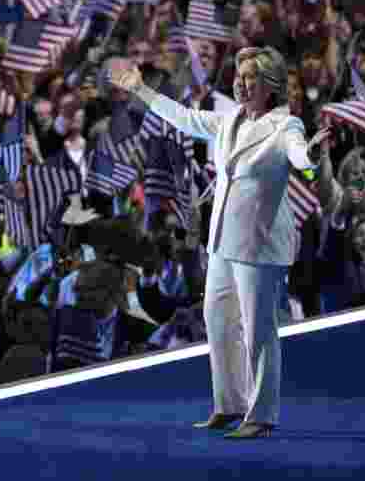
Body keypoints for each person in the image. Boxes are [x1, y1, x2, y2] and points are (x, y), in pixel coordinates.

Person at [111, 46, 331, 439]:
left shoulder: (287, 127)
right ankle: (229, 405)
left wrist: (313, 161)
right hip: (222, 242)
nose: (241, 83)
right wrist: (142, 90)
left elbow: (301, 158)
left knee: (257, 330)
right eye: (239, 75)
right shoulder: (230, 119)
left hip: (258, 245)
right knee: (217, 320)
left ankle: (260, 415)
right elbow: (185, 118)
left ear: (271, 86)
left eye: (251, 77)